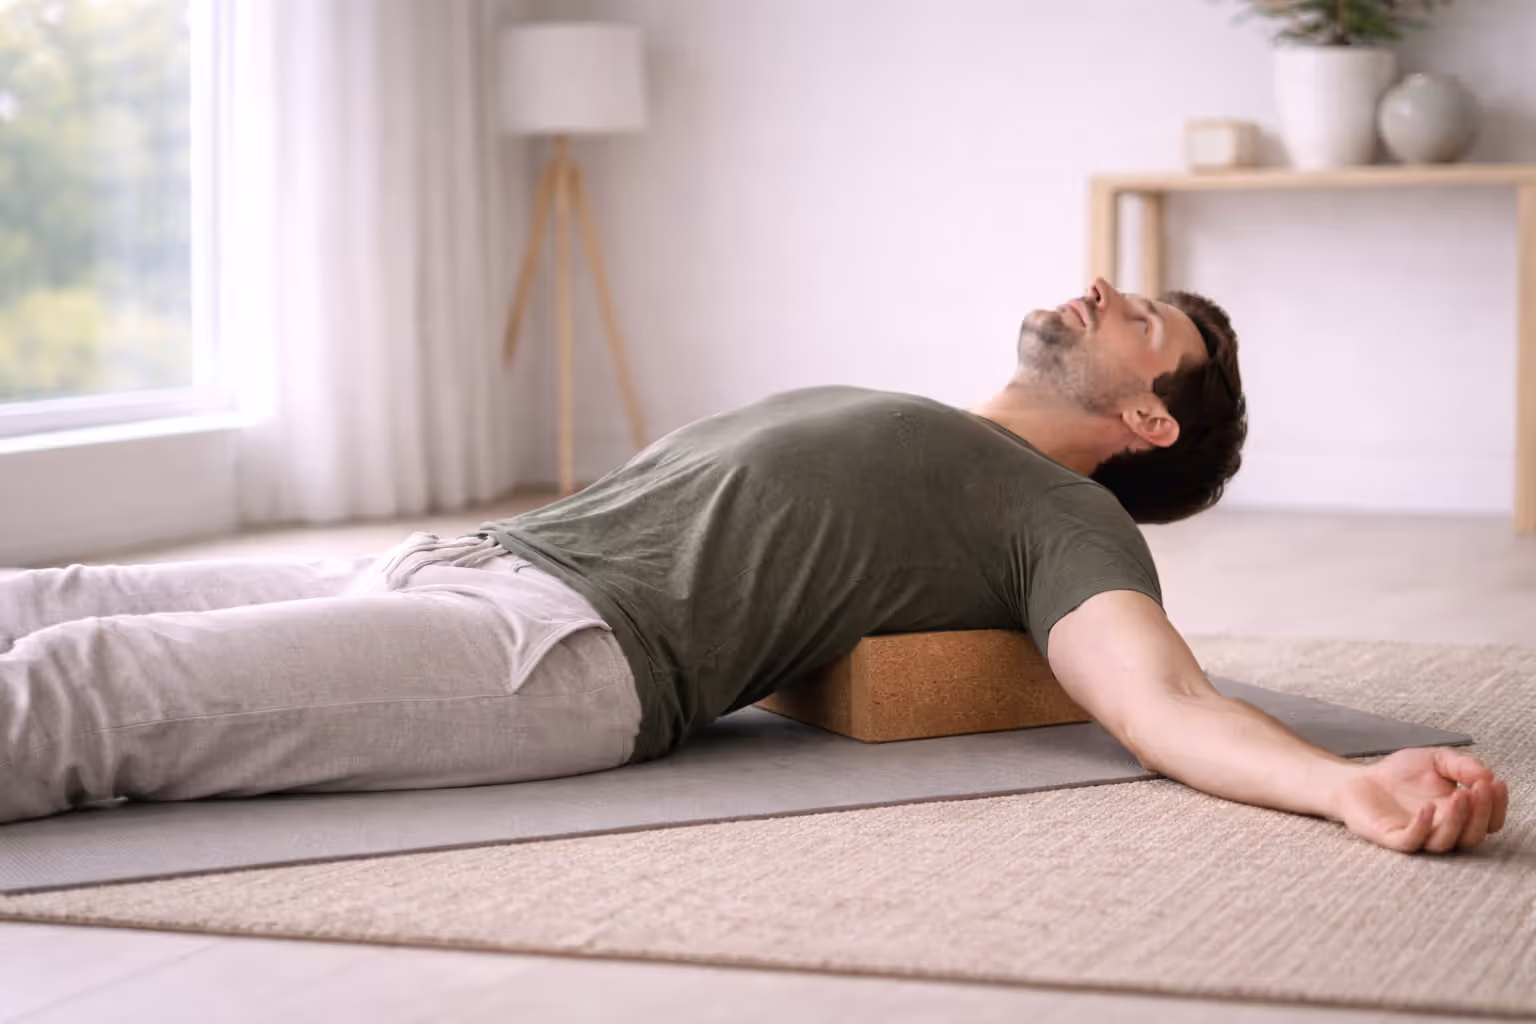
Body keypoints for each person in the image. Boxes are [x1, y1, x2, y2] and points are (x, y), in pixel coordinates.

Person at [0, 279, 1508, 853]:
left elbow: (1158, 697)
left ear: (1141, 413)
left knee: (84, 691)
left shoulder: (1065, 524)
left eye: (1145, 324)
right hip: (464, 564)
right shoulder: (920, 419)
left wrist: (1341, 783)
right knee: (52, 599)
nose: (1103, 286)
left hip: (561, 658)